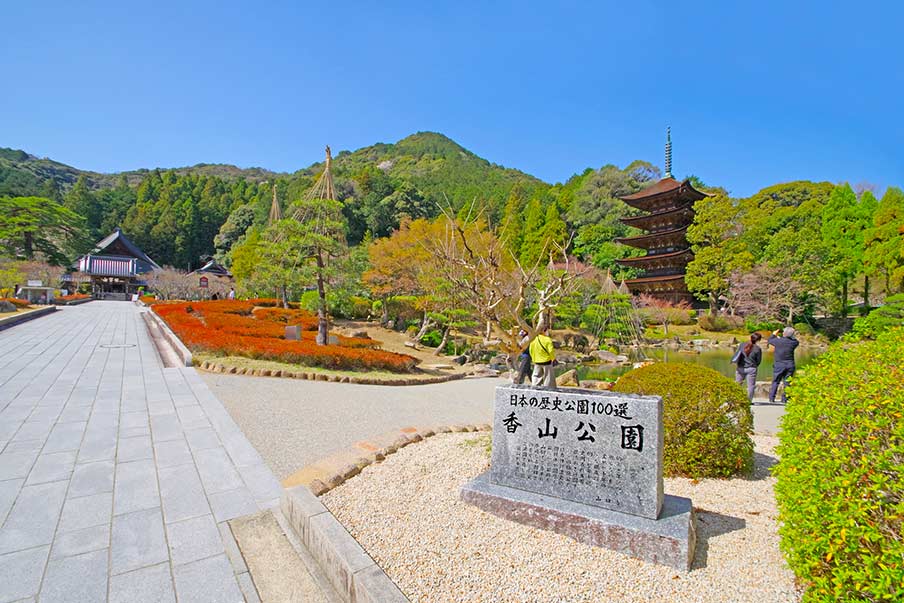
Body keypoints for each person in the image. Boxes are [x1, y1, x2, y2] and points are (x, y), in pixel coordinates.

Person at [768, 326, 799, 404]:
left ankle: (772, 398)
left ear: (784, 333)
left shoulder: (778, 341)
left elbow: (770, 340)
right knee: (787, 382)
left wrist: (774, 334)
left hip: (779, 364)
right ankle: (785, 399)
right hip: (790, 364)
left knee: (775, 381)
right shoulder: (794, 342)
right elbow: (795, 340)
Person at [733, 332, 763, 402]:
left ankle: (735, 399)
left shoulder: (742, 345)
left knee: (737, 384)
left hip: (740, 367)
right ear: (758, 340)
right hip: (751, 368)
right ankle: (749, 401)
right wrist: (755, 365)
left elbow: (737, 355)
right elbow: (758, 361)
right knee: (751, 386)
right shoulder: (757, 349)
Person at [529, 324, 556, 388]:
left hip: (536, 361)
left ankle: (534, 388)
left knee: (536, 376)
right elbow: (551, 351)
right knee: (548, 377)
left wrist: (533, 358)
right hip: (546, 361)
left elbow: (531, 350)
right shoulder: (547, 339)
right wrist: (553, 359)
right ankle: (549, 389)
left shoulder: (533, 339)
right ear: (545, 330)